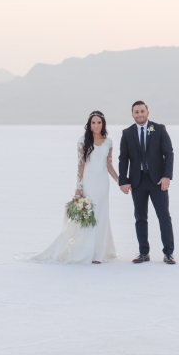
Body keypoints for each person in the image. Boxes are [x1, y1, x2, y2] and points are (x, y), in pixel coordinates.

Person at [16, 111, 118, 264]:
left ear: (103, 124)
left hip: (103, 184)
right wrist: (79, 187)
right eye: (93, 122)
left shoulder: (108, 142)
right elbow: (80, 165)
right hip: (89, 183)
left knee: (101, 216)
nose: (96, 125)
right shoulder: (82, 141)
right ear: (89, 125)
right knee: (88, 217)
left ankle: (98, 255)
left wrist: (120, 181)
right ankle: (85, 252)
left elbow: (109, 165)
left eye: (99, 122)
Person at [118, 101, 176, 264]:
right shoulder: (127, 133)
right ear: (132, 114)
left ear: (147, 112)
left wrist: (167, 176)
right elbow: (123, 159)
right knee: (140, 217)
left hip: (158, 181)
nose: (140, 114)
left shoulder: (159, 129)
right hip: (137, 181)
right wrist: (123, 180)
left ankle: (169, 253)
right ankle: (143, 252)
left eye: (142, 111)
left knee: (164, 216)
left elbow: (169, 154)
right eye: (136, 112)